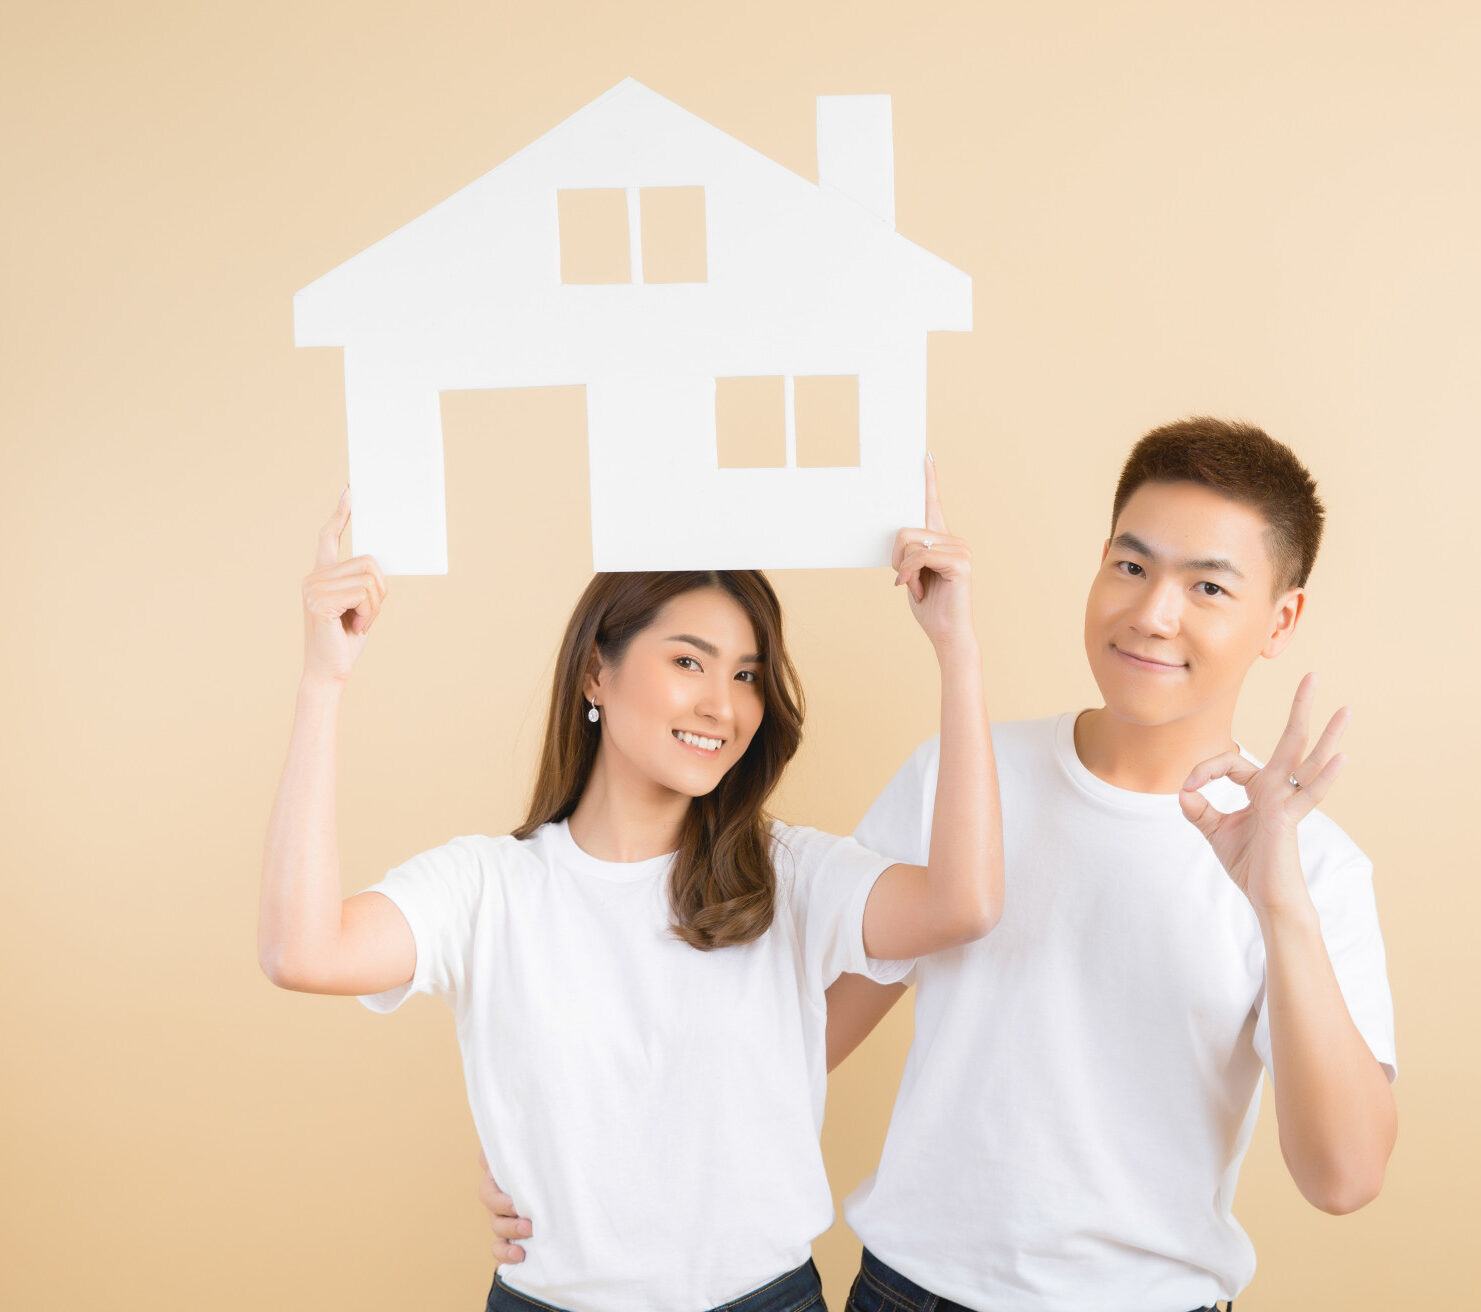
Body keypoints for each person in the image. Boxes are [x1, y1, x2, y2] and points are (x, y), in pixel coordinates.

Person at [486, 416, 1397, 1312]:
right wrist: (575, 1175)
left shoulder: (1309, 867)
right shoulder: (963, 779)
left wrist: (1277, 903)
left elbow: (1345, 1177)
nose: (1153, 613)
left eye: (1208, 588)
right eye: (1131, 565)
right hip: (909, 1294)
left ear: (1282, 621)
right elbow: (785, 1044)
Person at [259, 459, 1003, 1312]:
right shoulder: (487, 889)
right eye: (690, 661)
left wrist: (957, 648)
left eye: (748, 675)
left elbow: (964, 904)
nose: (724, 706)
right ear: (595, 674)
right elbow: (300, 951)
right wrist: (324, 683)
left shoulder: (790, 874)